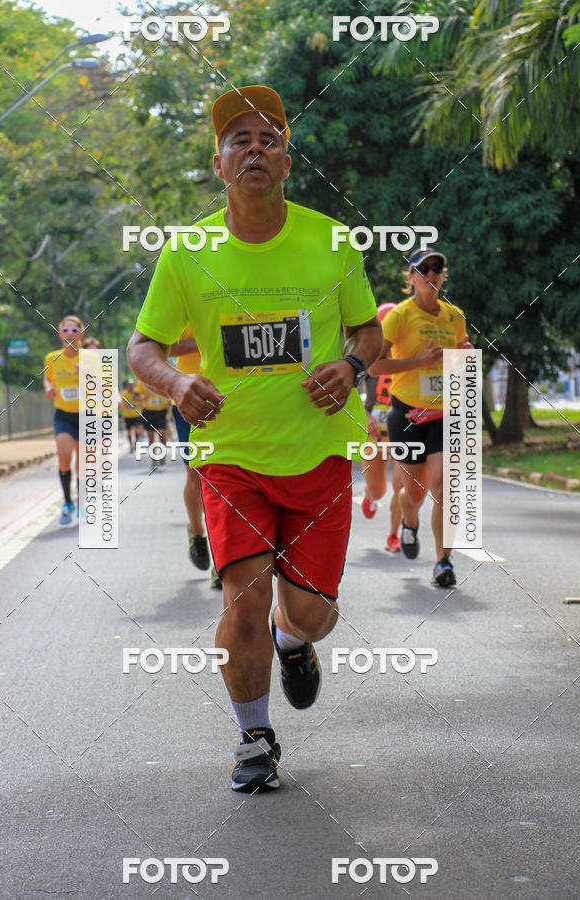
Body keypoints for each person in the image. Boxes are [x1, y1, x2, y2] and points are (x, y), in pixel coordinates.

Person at [127, 85, 382, 792]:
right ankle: (254, 737)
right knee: (241, 599)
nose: (254, 148)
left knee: (310, 613)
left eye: (268, 137)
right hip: (231, 457)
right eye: (239, 139)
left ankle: (295, 642)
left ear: (287, 162)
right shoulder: (189, 252)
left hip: (319, 456)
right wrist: (176, 385)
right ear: (219, 163)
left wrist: (352, 363)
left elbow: (369, 328)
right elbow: (142, 344)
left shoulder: (332, 241)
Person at [369, 248, 472, 587]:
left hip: (446, 414)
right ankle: (409, 522)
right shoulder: (398, 316)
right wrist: (418, 363)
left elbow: (463, 354)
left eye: (438, 267)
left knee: (446, 489)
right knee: (413, 494)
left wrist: (465, 355)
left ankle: (443, 562)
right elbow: (375, 365)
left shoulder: (455, 316)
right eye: (423, 268)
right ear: (410, 277)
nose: (432, 272)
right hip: (408, 415)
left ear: (443, 276)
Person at [168, 329, 215, 579]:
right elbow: (166, 346)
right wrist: (206, 339)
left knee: (227, 472)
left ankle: (222, 559)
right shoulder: (182, 297)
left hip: (233, 396)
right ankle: (197, 532)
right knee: (196, 473)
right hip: (190, 399)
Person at [361, 302, 402, 552]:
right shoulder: (365, 356)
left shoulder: (410, 355)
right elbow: (350, 392)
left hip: (402, 427)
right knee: (379, 489)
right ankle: (371, 496)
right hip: (374, 430)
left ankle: (394, 535)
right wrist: (365, 414)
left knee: (402, 485)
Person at [44, 314, 83, 525]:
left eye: (74, 330)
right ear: (60, 334)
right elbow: (47, 377)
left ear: (81, 334)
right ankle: (67, 502)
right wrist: (49, 387)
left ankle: (83, 502)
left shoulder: (90, 358)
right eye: (66, 330)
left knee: (83, 465)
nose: (70, 334)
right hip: (63, 416)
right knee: (64, 457)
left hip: (86, 415)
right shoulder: (52, 358)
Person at [138, 383, 169, 469]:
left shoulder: (161, 379)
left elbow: (169, 392)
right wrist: (142, 398)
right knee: (150, 437)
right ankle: (154, 459)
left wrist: (168, 401)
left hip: (161, 411)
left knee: (162, 435)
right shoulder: (141, 382)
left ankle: (162, 454)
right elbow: (135, 397)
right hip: (148, 412)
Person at [119, 378, 145, 453]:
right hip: (127, 416)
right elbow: (120, 404)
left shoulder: (137, 393)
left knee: (137, 430)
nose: (131, 386)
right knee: (129, 432)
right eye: (129, 385)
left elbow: (142, 401)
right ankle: (131, 445)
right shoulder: (123, 394)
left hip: (136, 415)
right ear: (127, 386)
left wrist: (137, 404)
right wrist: (126, 406)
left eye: (132, 385)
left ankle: (136, 443)